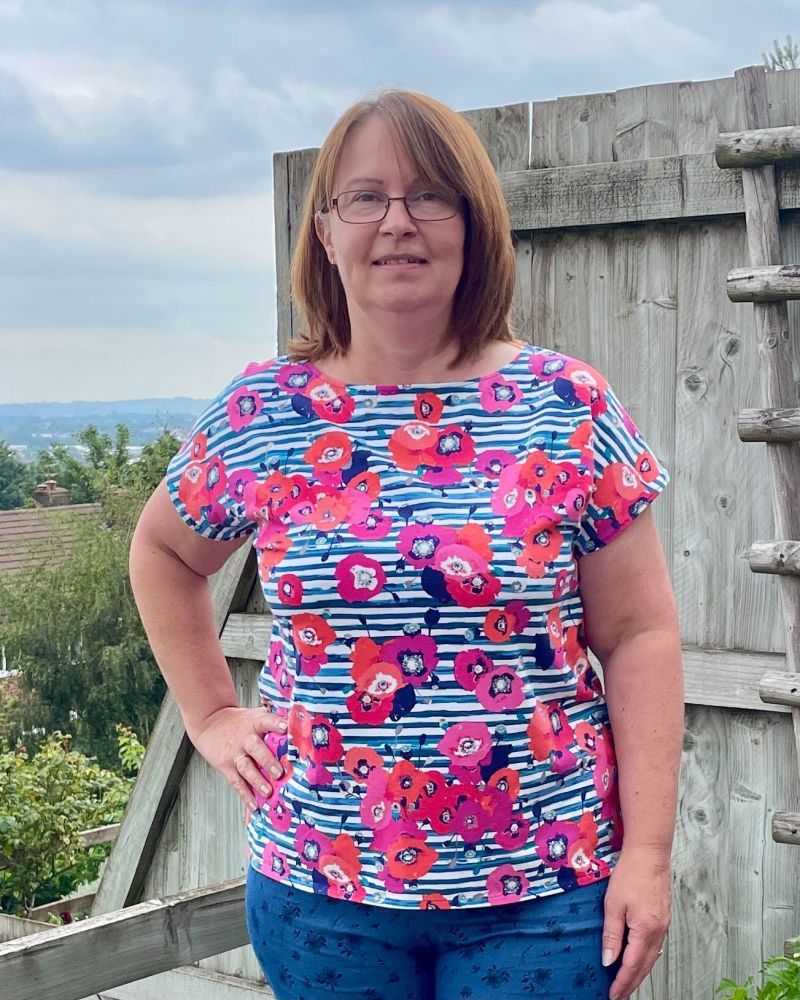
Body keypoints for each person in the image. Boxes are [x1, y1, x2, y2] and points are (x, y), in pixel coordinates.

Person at [129, 88, 683, 1000]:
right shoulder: (265, 412)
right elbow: (161, 555)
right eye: (366, 197)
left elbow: (641, 636)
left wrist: (649, 856)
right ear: (324, 231)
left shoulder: (566, 404)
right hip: (322, 890)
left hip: (549, 887)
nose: (398, 221)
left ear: (474, 225)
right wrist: (212, 715)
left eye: (430, 195)